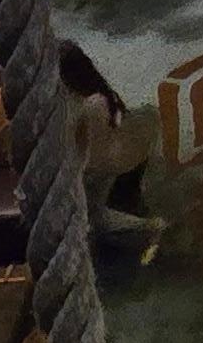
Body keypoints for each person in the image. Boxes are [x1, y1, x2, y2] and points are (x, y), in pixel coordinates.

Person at [59, 41, 162, 260]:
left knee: (94, 217)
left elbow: (87, 151)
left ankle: (150, 228)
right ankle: (146, 226)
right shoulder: (95, 94)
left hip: (97, 168)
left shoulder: (89, 105)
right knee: (93, 216)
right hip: (102, 160)